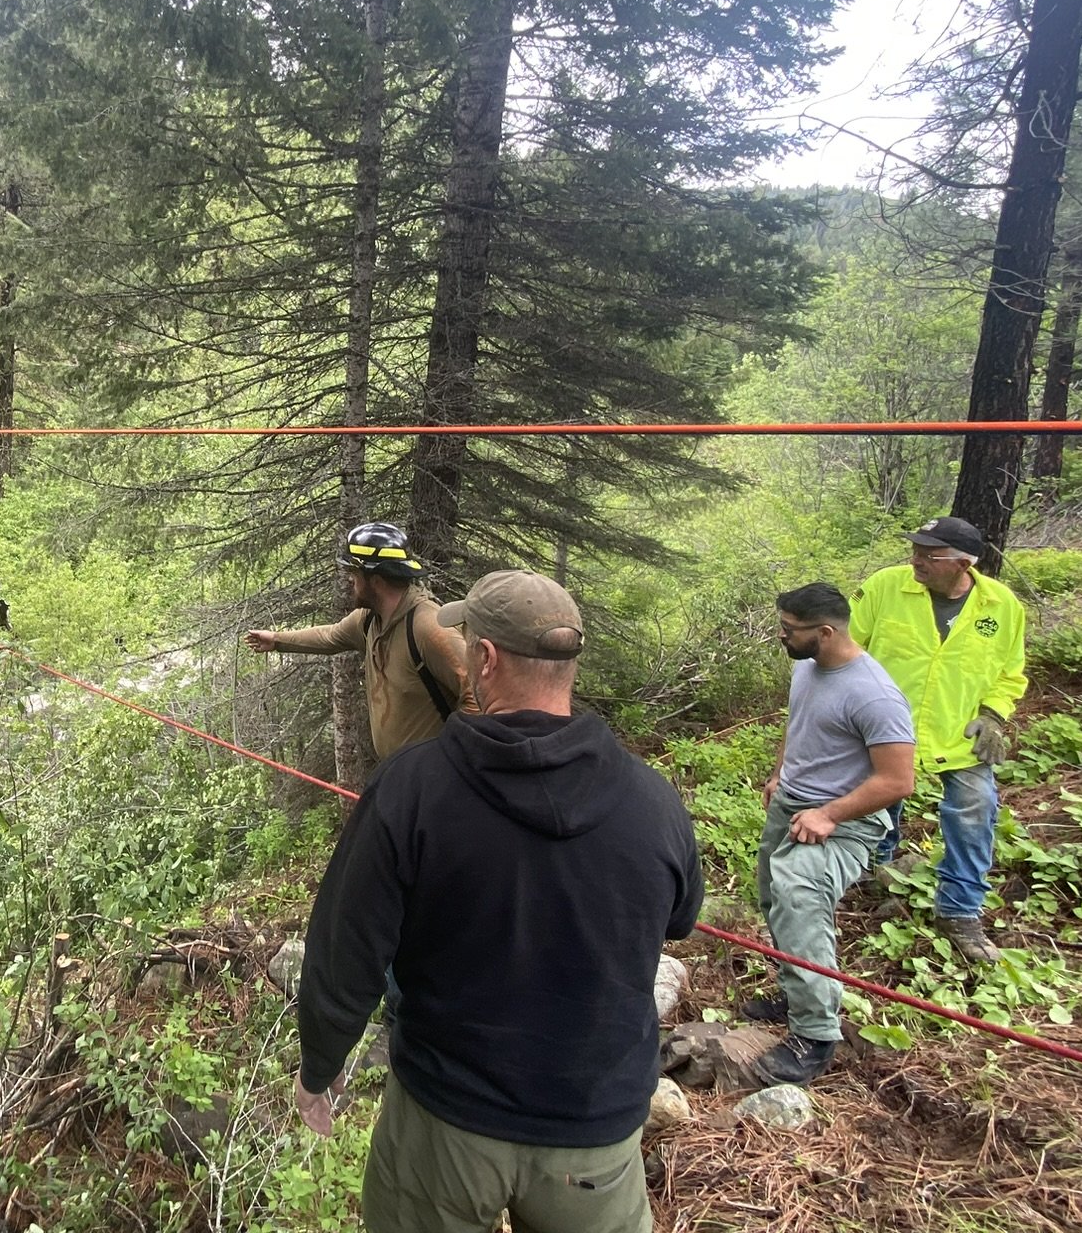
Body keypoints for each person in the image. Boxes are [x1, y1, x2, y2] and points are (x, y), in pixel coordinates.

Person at [294, 570, 700, 1233]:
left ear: (483, 658)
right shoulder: (652, 801)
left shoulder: (410, 791)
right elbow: (679, 918)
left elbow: (346, 952)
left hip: (446, 1121)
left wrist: (320, 1067)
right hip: (593, 1131)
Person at [746, 582, 916, 1084]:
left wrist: (830, 814)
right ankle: (798, 989)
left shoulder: (875, 694)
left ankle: (817, 1036)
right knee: (773, 896)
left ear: (825, 631)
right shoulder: (807, 667)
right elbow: (798, 725)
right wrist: (781, 774)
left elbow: (897, 780)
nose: (781, 637)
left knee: (798, 895)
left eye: (788, 630)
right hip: (792, 805)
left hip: (845, 819)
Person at [850, 517, 1027, 964]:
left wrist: (993, 716)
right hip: (885, 726)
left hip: (957, 730)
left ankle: (960, 911)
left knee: (974, 811)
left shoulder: (1001, 607)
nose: (917, 560)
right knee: (879, 798)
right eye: (915, 551)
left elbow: (1010, 672)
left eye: (930, 555)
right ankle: (875, 867)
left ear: (963, 563)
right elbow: (846, 648)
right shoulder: (885, 587)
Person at [245, 522, 470, 762]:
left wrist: (453, 758)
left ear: (375, 581)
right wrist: (277, 640)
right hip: (399, 780)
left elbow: (477, 690)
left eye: (354, 574)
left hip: (433, 782)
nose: (350, 581)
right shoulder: (368, 620)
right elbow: (330, 636)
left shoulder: (428, 627)